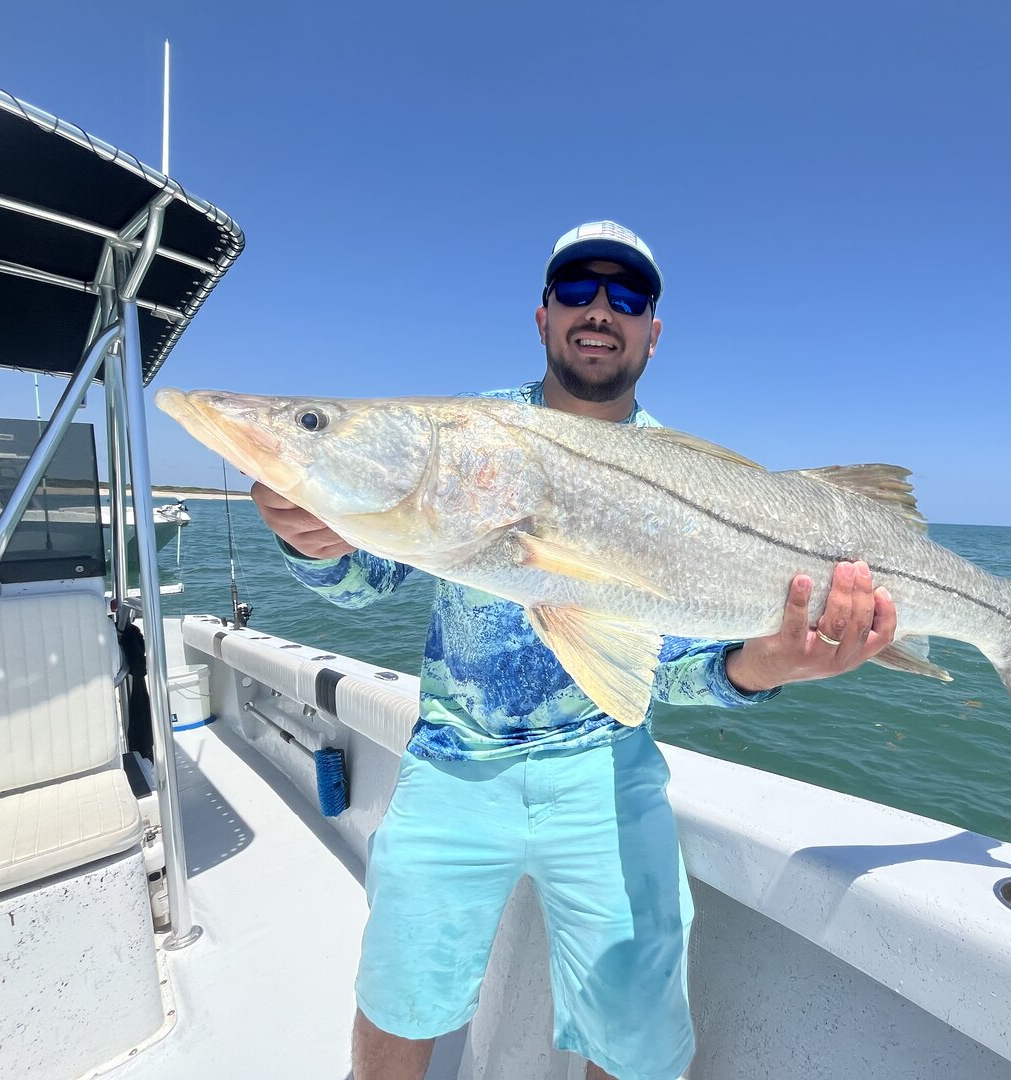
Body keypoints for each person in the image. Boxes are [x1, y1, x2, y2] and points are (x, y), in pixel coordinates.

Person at [252, 220, 898, 1080]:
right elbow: (367, 577)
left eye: (627, 295)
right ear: (544, 315)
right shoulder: (472, 436)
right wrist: (310, 541)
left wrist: (763, 666)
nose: (601, 309)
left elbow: (667, 669)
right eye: (578, 290)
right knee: (397, 996)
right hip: (453, 762)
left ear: (653, 331)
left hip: (608, 769)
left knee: (636, 1041)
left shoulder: (692, 470)